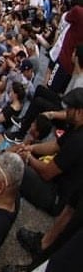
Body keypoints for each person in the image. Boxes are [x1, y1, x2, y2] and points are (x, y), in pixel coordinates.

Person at [15, 87, 83, 215]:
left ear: (79, 112)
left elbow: (47, 173)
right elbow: (55, 145)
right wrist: (31, 148)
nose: (66, 111)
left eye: (69, 109)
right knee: (24, 150)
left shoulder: (78, 141)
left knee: (13, 166)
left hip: (57, 196)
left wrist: (29, 157)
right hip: (55, 179)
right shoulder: (75, 127)